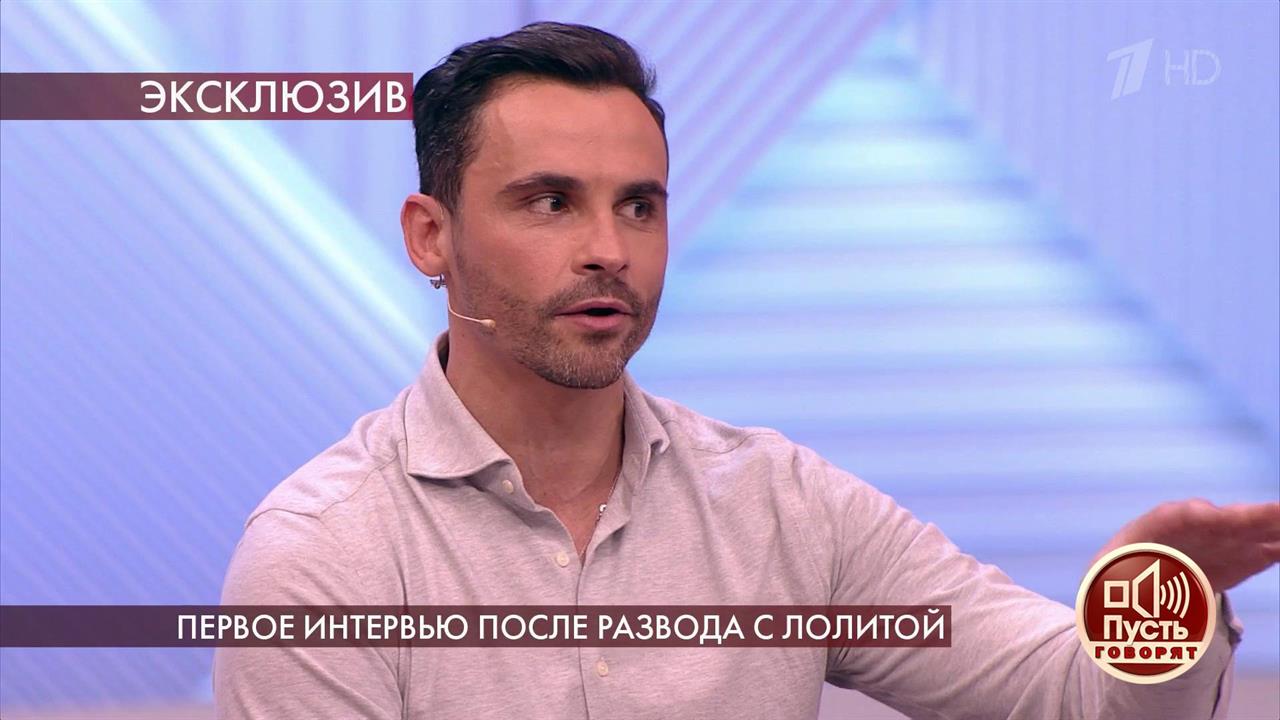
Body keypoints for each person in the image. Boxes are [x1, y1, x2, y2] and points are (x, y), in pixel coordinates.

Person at [213, 21, 1279, 720]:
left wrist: (1159, 606)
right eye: (551, 202)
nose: (608, 250)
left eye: (639, 205)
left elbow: (1066, 698)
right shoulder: (323, 559)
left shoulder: (780, 505)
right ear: (430, 235)